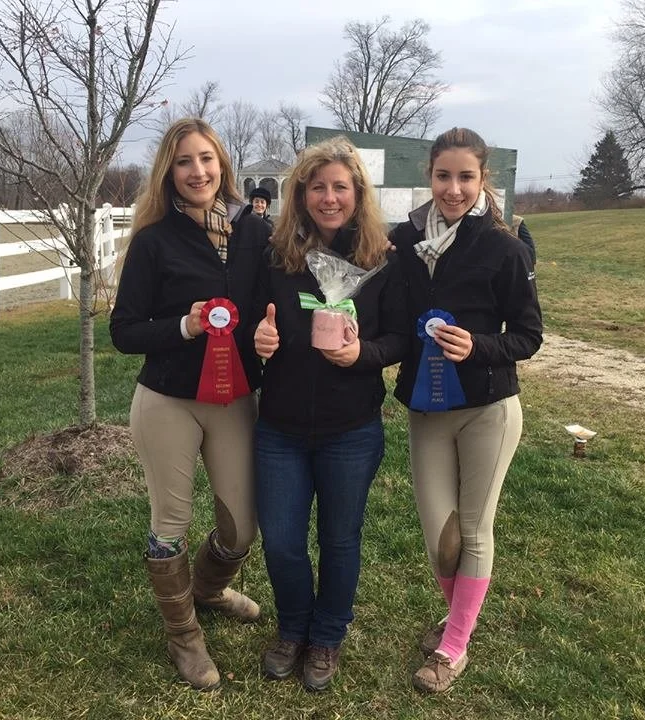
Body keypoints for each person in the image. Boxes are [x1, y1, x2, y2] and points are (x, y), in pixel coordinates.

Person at [109, 117, 272, 691]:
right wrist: (184, 324)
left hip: (235, 398)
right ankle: (183, 634)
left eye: (206, 159)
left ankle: (205, 590)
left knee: (241, 528)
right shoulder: (154, 241)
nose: (198, 171)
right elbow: (124, 331)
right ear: (169, 173)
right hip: (168, 401)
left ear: (222, 164)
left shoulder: (254, 231)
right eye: (184, 162)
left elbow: (273, 304)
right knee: (170, 523)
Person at [252, 137, 410, 692]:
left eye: (339, 186)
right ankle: (292, 627)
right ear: (300, 193)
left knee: (340, 539)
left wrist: (361, 355)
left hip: (351, 428)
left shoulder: (381, 259)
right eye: (317, 187)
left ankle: (326, 637)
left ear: (357, 192)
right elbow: (255, 323)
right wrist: (261, 337)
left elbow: (398, 338)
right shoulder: (277, 259)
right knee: (282, 539)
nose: (328, 197)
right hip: (280, 429)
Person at [390, 127, 543, 693]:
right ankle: (461, 617)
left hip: (488, 408)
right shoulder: (403, 241)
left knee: (474, 531)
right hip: (425, 408)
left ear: (483, 181)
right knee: (440, 539)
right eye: (443, 176)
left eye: (466, 177)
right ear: (428, 176)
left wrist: (477, 346)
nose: (454, 189)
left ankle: (453, 646)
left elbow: (529, 336)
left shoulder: (504, 246)